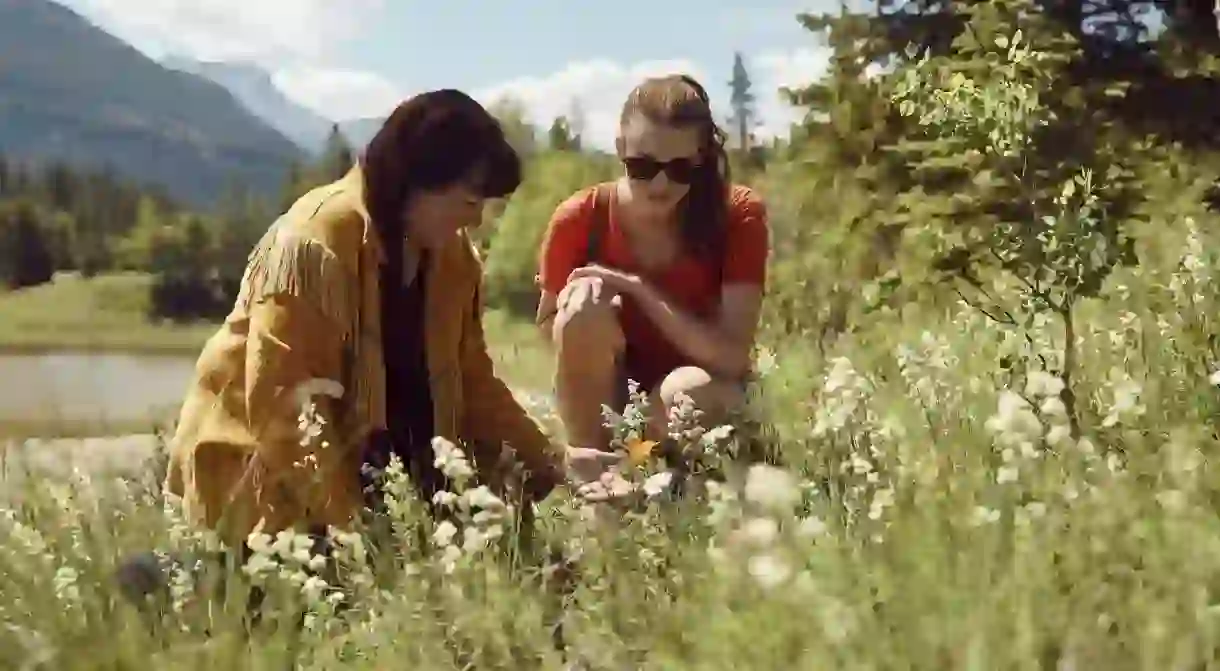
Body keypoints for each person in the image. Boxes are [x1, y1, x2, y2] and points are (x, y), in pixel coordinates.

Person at [158, 88, 565, 560]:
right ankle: (182, 577)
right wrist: (359, 540)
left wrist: (554, 466)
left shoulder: (454, 261)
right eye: (469, 200)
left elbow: (475, 386)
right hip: (271, 491)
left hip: (385, 480)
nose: (475, 220)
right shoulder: (312, 242)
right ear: (417, 180)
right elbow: (285, 412)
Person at [535, 74, 770, 486]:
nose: (661, 184)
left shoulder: (737, 214)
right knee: (583, 310)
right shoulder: (579, 218)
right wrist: (580, 312)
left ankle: (643, 469)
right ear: (620, 150)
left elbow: (733, 358)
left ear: (701, 159)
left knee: (685, 391)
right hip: (610, 405)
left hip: (691, 401)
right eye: (642, 167)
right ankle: (602, 482)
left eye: (681, 169)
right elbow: (548, 330)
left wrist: (637, 290)